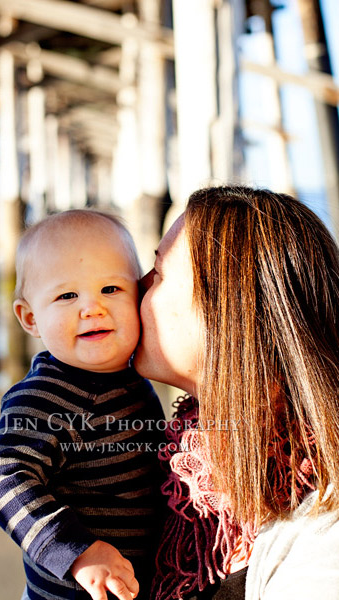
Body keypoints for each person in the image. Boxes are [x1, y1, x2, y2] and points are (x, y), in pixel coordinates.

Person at [134, 185, 339, 600]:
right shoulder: (180, 467)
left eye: (157, 273)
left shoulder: (322, 528)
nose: (134, 285)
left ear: (223, 311)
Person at [0, 210, 166, 600]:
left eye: (111, 289)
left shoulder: (131, 379)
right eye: (67, 296)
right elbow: (3, 479)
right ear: (30, 318)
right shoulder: (45, 395)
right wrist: (77, 551)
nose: (92, 308)